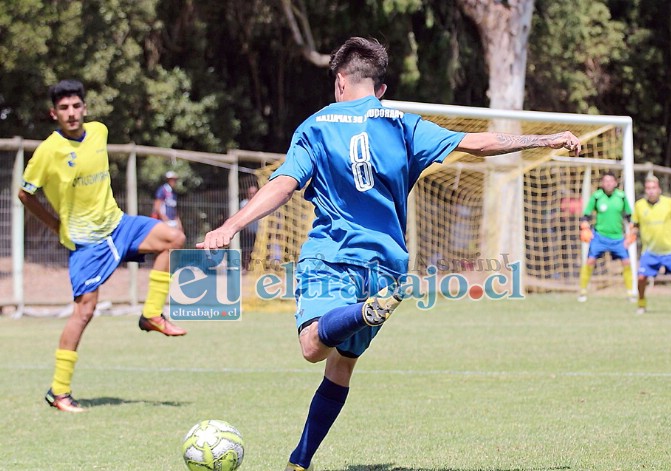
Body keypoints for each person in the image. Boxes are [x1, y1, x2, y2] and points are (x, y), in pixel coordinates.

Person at [197, 37, 581, 470]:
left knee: (312, 346)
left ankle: (363, 313)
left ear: (340, 80)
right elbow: (478, 142)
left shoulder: (316, 126)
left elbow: (283, 184)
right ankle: (298, 463)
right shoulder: (402, 122)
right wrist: (543, 139)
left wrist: (231, 226)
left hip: (333, 254)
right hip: (387, 268)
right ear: (380, 87)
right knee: (340, 367)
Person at [18, 79, 187, 413]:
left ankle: (151, 313)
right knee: (84, 313)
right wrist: (55, 224)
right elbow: (25, 193)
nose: (71, 113)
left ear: (85, 108)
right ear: (54, 114)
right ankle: (59, 391)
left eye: (76, 106)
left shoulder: (99, 132)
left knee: (173, 238)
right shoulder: (48, 152)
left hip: (119, 225)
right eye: (63, 108)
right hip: (88, 245)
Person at [631, 175, 671, 315]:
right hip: (649, 251)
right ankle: (641, 304)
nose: (651, 191)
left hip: (670, 249)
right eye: (648, 188)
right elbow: (635, 225)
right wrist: (630, 236)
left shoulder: (669, 203)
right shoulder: (639, 205)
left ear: (659, 189)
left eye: (653, 188)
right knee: (641, 278)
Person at [577, 171, 635, 302]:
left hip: (618, 238)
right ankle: (582, 291)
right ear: (602, 183)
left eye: (610, 181)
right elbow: (586, 215)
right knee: (590, 261)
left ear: (615, 183)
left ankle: (631, 292)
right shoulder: (597, 197)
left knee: (626, 262)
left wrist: (632, 232)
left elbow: (629, 217)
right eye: (605, 181)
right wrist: (585, 228)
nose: (608, 183)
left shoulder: (621, 197)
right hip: (599, 237)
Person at [239, 184, 258, 271]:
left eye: (254, 193)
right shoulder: (244, 204)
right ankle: (245, 267)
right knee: (246, 250)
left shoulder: (260, 203)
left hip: (259, 232)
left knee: (257, 250)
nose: (252, 195)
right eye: (251, 193)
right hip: (247, 231)